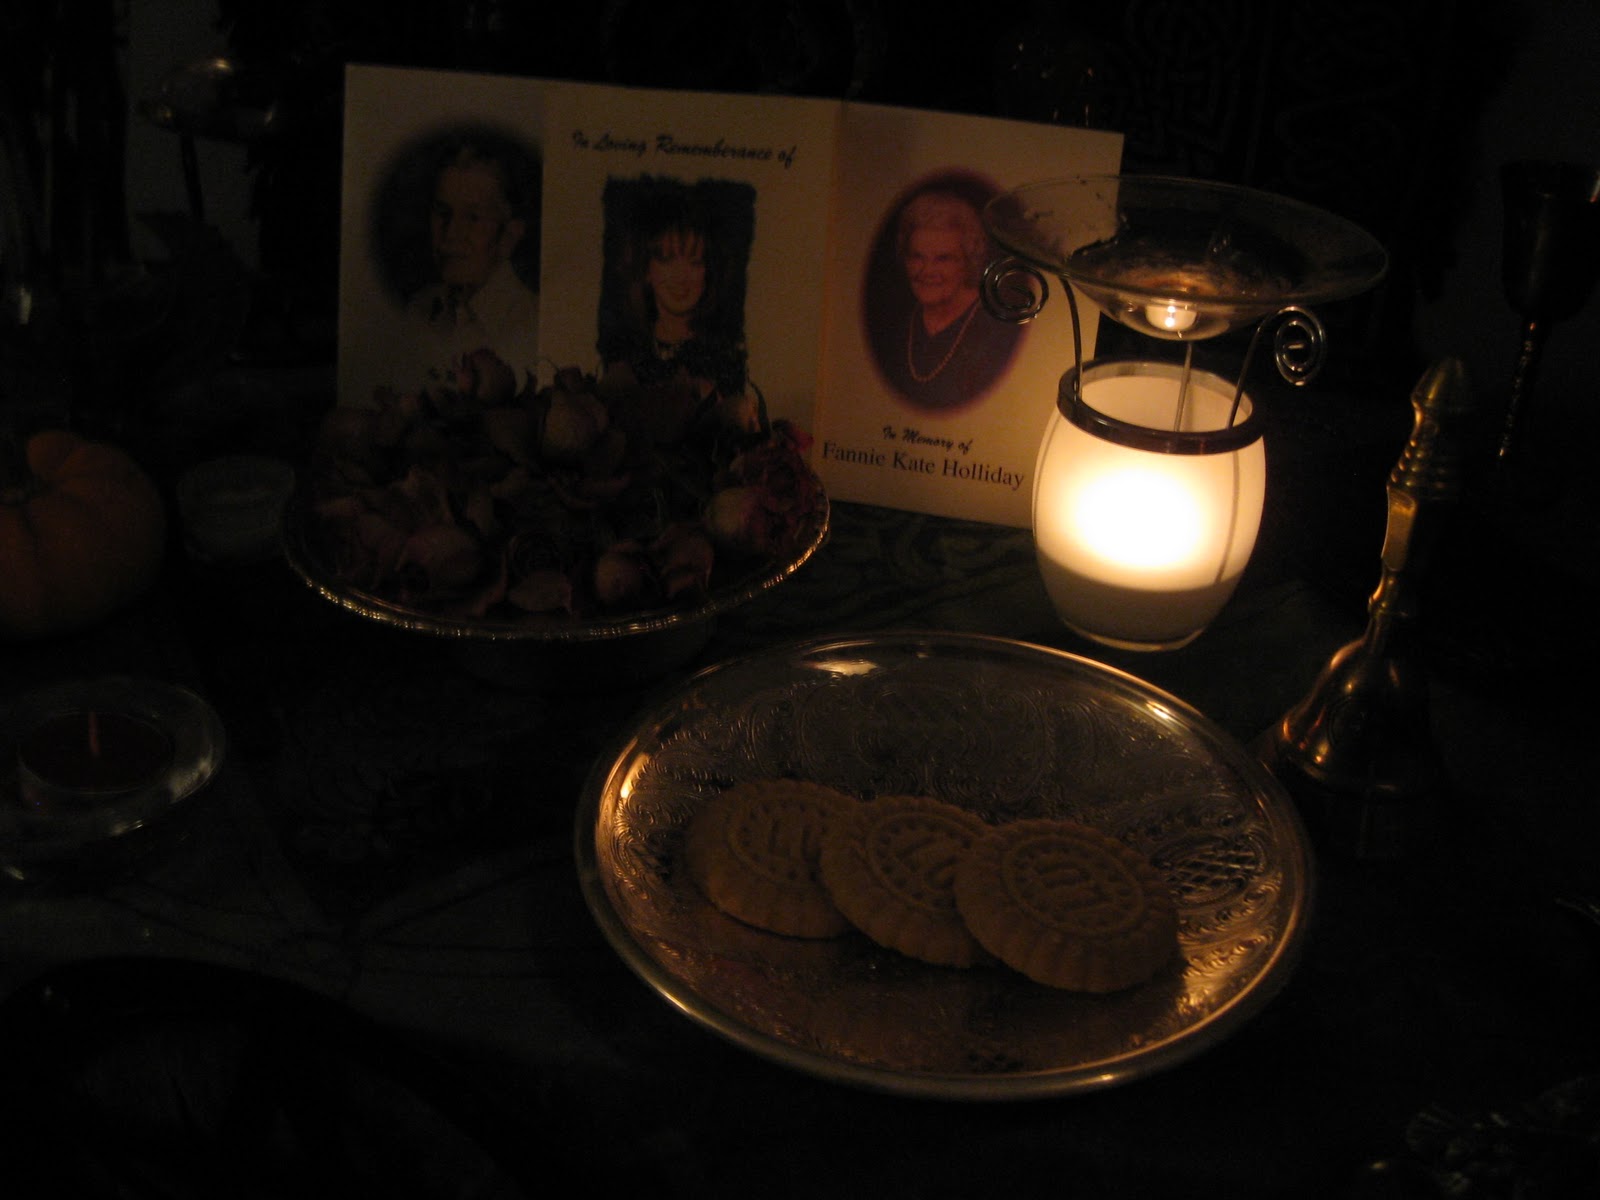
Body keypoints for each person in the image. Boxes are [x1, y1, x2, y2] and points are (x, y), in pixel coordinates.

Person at [401, 139, 540, 389]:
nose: (451, 233)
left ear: (509, 236)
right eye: (442, 212)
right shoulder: (418, 311)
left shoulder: (533, 323)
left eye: (473, 217)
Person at [599, 179, 750, 404]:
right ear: (646, 269)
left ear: (708, 272)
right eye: (667, 260)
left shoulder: (726, 359)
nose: (681, 276)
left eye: (694, 262)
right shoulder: (622, 352)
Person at [877, 188, 1021, 411]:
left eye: (943, 259)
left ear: (969, 261)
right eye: (917, 257)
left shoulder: (997, 332)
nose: (927, 271)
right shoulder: (894, 328)